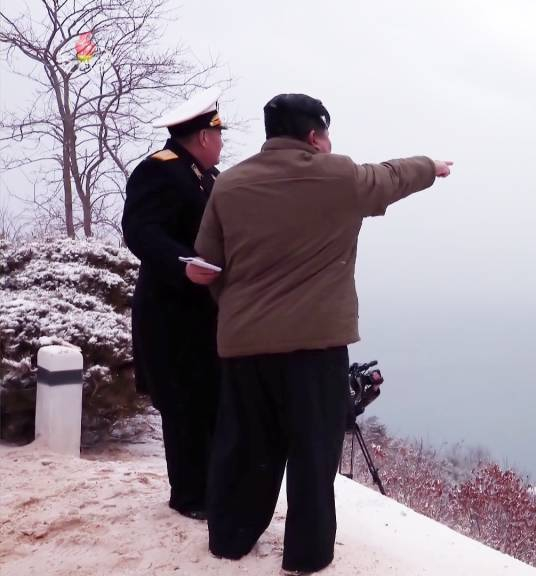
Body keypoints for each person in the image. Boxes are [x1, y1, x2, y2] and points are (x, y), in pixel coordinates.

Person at [188, 93, 452, 573]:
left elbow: (209, 264)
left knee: (246, 445)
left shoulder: (229, 186)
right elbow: (392, 175)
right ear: (315, 136)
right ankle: (307, 556)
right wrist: (431, 166)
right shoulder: (340, 177)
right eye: (326, 135)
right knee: (312, 453)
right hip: (315, 349)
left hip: (245, 347)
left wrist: (237, 312)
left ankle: (230, 540)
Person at [121, 87, 226, 521]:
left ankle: (211, 488)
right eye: (218, 135)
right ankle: (189, 497)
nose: (222, 144)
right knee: (183, 403)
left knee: (210, 399)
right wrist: (182, 266)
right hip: (169, 312)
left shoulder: (210, 178)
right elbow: (140, 231)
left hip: (207, 313)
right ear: (203, 137)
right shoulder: (158, 171)